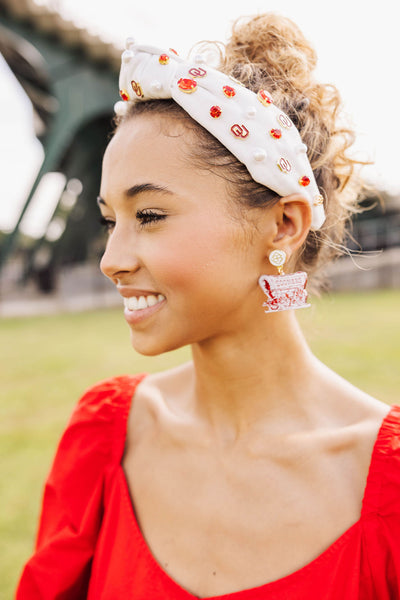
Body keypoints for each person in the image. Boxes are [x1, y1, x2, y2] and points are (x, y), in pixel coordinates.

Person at [16, 13, 400, 600]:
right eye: (109, 220)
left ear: (284, 224)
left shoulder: (387, 490)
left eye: (149, 216)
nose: (111, 259)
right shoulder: (105, 439)